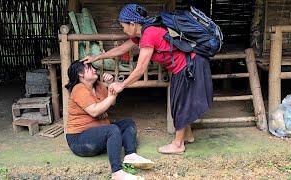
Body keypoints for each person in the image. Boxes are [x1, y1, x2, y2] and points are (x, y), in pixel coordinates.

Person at [81, 4, 213, 154]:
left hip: (190, 65)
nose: (123, 30)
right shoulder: (142, 33)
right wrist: (96, 56)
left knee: (180, 103)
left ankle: (178, 145)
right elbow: (121, 49)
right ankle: (187, 136)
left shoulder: (149, 34)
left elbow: (140, 68)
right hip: (185, 66)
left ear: (132, 24)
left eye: (123, 26)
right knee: (179, 102)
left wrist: (122, 84)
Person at [65, 61, 153, 180]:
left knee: (128, 123)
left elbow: (112, 103)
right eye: (89, 68)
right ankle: (116, 173)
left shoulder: (99, 85)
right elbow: (95, 111)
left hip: (97, 136)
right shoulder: (78, 89)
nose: (94, 69)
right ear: (80, 74)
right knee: (112, 129)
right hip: (79, 140)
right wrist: (111, 95)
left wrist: (111, 85)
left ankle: (130, 155)